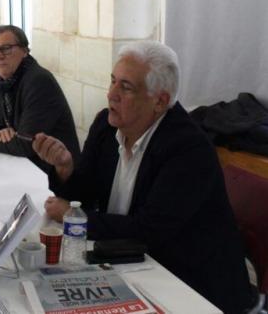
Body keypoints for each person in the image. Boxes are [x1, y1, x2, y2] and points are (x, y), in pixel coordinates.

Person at [32, 41, 253, 314]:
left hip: (190, 281)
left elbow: (149, 231)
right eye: (113, 81)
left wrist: (73, 216)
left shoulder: (188, 148)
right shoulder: (106, 124)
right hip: (135, 262)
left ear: (159, 101)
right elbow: (85, 193)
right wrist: (65, 167)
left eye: (126, 87)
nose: (111, 94)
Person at [0, 25, 80, 187]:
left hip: (52, 176)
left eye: (6, 49)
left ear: (25, 50)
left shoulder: (39, 81)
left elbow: (26, 145)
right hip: (19, 164)